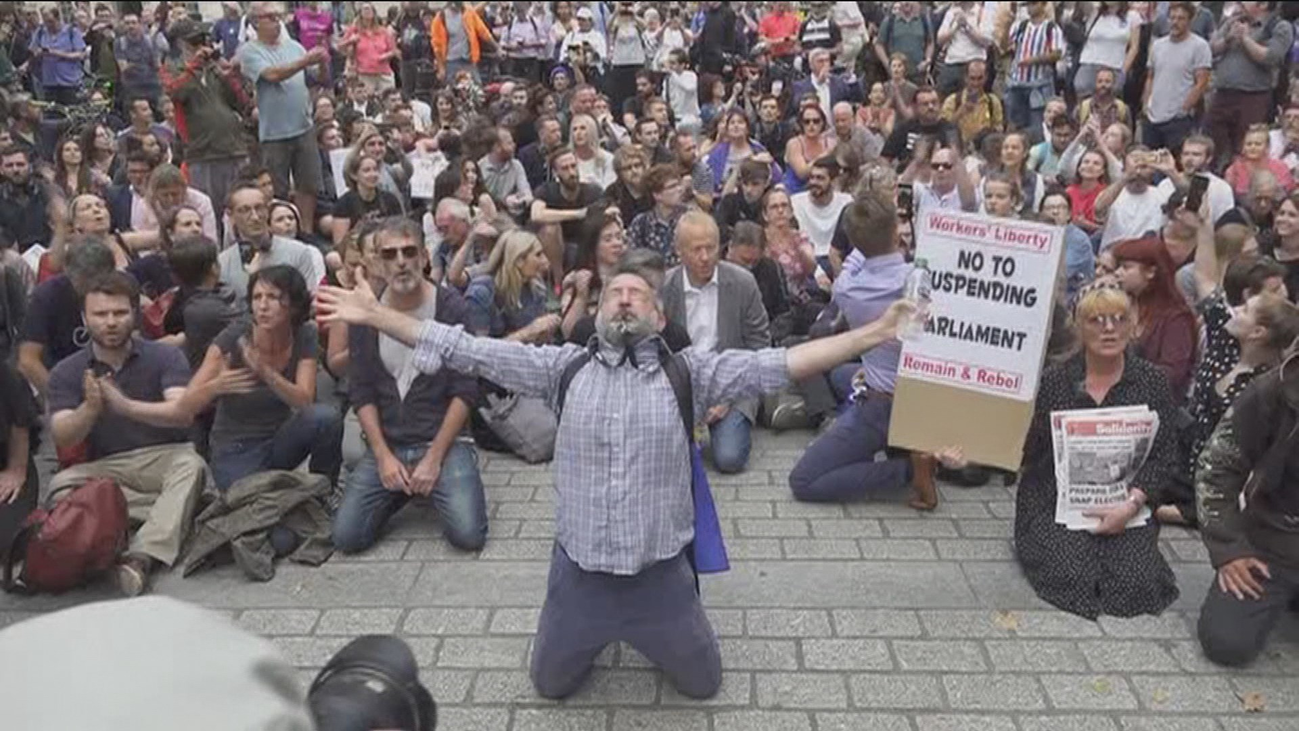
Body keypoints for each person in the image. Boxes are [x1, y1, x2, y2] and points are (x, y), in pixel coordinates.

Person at [316, 209, 913, 701]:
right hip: (581, 576)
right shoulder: (560, 368)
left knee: (704, 687)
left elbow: (779, 363)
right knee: (548, 687)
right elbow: (463, 348)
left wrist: (872, 334)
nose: (624, 299)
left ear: (659, 316)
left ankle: (649, 631)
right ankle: (582, 622)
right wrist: (375, 315)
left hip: (661, 578)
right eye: (614, 293)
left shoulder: (690, 374)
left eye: (638, 295)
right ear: (598, 312)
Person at [1014, 285, 1179, 619]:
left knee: (1137, 585)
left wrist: (1132, 504)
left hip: (1127, 499)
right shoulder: (1054, 381)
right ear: (1079, 327)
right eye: (1096, 320)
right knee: (1071, 578)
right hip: (1057, 498)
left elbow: (1164, 455)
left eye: (1119, 319)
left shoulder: (1152, 382)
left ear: (1133, 327)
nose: (1109, 329)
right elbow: (1028, 449)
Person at [330, 217, 485, 556]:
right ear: (377, 263)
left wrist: (433, 458)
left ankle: (427, 479)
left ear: (424, 256)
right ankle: (400, 487)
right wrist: (384, 457)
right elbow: (363, 392)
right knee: (346, 538)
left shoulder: (450, 308)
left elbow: (465, 391)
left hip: (444, 443)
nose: (400, 262)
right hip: (391, 444)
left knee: (468, 535)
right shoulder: (366, 313)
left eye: (408, 251)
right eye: (389, 254)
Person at [46, 270, 207, 596]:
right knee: (59, 488)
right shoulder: (67, 370)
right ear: (85, 317)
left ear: (134, 314)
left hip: (163, 458)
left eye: (119, 313)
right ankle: (171, 514)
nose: (110, 322)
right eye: (100, 314)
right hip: (107, 468)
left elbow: (182, 415)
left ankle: (140, 557)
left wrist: (125, 405)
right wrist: (89, 410)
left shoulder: (165, 356)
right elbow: (62, 435)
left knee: (193, 467)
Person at [789, 192, 939, 509]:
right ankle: (910, 458)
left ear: (854, 240)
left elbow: (857, 256)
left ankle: (903, 471)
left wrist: (863, 231)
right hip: (925, 398)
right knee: (845, 373)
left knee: (803, 481)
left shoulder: (847, 287)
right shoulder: (924, 279)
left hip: (881, 403)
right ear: (897, 233)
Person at [180, 265, 340, 492]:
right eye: (257, 297)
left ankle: (324, 491)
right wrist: (216, 387)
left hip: (279, 438)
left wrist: (264, 371)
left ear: (293, 305)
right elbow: (185, 406)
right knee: (252, 503)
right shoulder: (234, 337)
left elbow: (304, 401)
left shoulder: (305, 333)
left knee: (326, 418)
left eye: (273, 297)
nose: (263, 306)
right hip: (235, 448)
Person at [1196, 342, 1299, 667]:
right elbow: (1217, 468)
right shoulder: (1272, 390)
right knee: (1227, 643)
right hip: (1275, 541)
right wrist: (1229, 549)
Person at [237, 2, 327, 236]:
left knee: (308, 184)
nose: (277, 21)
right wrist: (306, 61)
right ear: (256, 23)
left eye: (278, 16)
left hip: (303, 126)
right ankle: (278, 233)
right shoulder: (250, 51)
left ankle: (305, 231)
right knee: (276, 188)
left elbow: (317, 78)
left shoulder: (295, 46)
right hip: (274, 133)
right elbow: (272, 75)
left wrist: (323, 60)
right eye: (270, 17)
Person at [162, 18, 252, 224]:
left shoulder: (214, 69)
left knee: (241, 208)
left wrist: (230, 75)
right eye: (196, 42)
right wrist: (194, 65)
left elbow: (242, 103)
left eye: (205, 40)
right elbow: (176, 92)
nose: (203, 46)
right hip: (204, 153)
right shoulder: (171, 69)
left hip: (235, 148)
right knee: (211, 213)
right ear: (181, 44)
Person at [17, 237, 116, 397]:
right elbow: (28, 360)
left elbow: (134, 342)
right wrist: (61, 399)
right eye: (85, 282)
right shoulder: (47, 295)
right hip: (60, 380)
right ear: (68, 273)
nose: (93, 288)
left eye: (100, 281)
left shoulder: (121, 289)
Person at [1207, 1, 1294, 168]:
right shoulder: (1232, 21)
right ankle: (1217, 176)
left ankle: (1242, 182)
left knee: (1246, 144)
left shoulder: (1279, 26)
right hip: (1222, 94)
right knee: (1212, 141)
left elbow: (1271, 57)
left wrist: (1245, 39)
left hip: (1253, 97)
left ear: (1263, 4)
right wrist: (1228, 38)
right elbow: (1211, 50)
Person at [1110, 236, 1198, 401]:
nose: (1117, 273)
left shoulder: (1176, 318)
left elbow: (1172, 373)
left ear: (1150, 272)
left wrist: (1122, 380)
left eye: (1126, 267)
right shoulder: (1118, 307)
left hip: (1155, 407)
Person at [219, 182, 323, 304]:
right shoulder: (223, 263)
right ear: (230, 215)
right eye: (245, 210)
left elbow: (308, 302)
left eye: (259, 208)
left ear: (267, 210)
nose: (255, 217)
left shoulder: (299, 252)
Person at [1142, 2, 1212, 153]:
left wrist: (1184, 109)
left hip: (1178, 119)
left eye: (1181, 18)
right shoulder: (1158, 45)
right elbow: (1150, 77)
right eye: (1172, 18)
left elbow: (1201, 83)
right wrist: (1146, 104)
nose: (1175, 22)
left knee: (1176, 162)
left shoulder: (1200, 46)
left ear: (1190, 20)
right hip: (1153, 116)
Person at [531, 147, 605, 281]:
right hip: (554, 245)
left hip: (584, 243)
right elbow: (536, 214)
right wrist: (578, 214)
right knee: (550, 229)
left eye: (573, 166)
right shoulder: (546, 190)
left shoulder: (593, 191)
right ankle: (558, 280)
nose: (571, 172)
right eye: (565, 168)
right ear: (555, 173)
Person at [1004, 1, 1064, 135]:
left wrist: (1033, 60)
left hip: (1039, 84)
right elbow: (1005, 47)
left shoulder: (1051, 28)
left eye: (1034, 3)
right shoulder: (1020, 26)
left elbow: (1057, 53)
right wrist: (1007, 24)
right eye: (1028, 4)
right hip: (1017, 83)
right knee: (1015, 124)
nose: (1030, 7)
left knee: (1037, 124)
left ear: (1043, 5)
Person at [1154, 135, 1236, 227]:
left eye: (1196, 154)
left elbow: (1225, 225)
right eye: (1186, 154)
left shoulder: (1221, 187)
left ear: (1208, 159)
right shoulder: (1165, 184)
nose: (1189, 159)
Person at [0, 360, 38, 559]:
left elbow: (20, 421)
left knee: (7, 544)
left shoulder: (6, 374)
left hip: (7, 463)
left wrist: (16, 469)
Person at [1097, 147, 1168, 250]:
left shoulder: (1162, 195)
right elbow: (1099, 209)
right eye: (1134, 166)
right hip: (1113, 252)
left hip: (1146, 254)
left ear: (1153, 170)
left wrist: (1170, 170)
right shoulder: (1113, 193)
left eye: (1143, 167)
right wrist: (1126, 176)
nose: (1138, 172)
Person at [332, 155, 403, 250]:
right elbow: (339, 244)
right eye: (366, 170)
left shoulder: (390, 199)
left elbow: (400, 229)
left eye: (375, 169)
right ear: (354, 175)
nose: (373, 174)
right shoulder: (344, 203)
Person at [881, 87, 960, 170]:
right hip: (906, 178)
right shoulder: (904, 128)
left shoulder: (950, 130)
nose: (931, 107)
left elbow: (957, 161)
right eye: (925, 104)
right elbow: (884, 158)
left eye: (934, 102)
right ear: (915, 107)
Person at [1042, 190, 1097, 300]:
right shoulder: (1038, 234)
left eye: (1061, 207)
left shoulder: (1079, 240)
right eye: (1049, 208)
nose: (1055, 212)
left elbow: (1062, 273)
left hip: (1071, 299)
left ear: (1069, 214)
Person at [628, 164, 687, 267]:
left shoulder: (691, 218)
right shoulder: (641, 223)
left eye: (679, 185)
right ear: (657, 195)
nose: (679, 189)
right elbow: (633, 258)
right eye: (672, 186)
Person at [0, 146, 55, 254]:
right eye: (9, 166)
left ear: (30, 166)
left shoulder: (48, 191)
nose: (15, 169)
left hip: (49, 250)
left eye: (20, 164)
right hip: (11, 254)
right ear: (1, 169)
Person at [900, 143, 979, 218]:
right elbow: (902, 191)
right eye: (935, 166)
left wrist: (957, 159)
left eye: (946, 166)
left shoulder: (964, 194)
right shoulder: (922, 191)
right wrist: (917, 161)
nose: (940, 169)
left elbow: (970, 204)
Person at [935, 2, 997, 96]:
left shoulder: (982, 12)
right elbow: (939, 40)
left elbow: (986, 42)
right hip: (952, 64)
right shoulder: (951, 13)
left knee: (974, 103)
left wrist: (966, 26)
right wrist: (955, 27)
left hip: (975, 65)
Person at [28, 7, 86, 105]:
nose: (49, 25)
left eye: (51, 21)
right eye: (46, 22)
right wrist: (37, 52)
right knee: (52, 113)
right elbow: (32, 49)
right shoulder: (41, 32)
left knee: (71, 110)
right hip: (49, 82)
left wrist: (56, 53)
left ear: (58, 18)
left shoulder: (71, 32)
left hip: (69, 82)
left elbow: (81, 54)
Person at [940, 60, 1003, 147]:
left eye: (980, 78)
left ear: (986, 77)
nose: (975, 83)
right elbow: (943, 129)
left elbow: (999, 127)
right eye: (972, 78)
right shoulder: (952, 100)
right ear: (965, 78)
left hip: (983, 148)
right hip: (958, 147)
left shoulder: (993, 101)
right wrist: (960, 112)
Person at [339, 2, 398, 92]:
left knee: (389, 98)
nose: (367, 11)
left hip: (383, 72)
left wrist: (384, 56)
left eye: (369, 9)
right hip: (364, 73)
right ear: (360, 13)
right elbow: (339, 47)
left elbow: (393, 50)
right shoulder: (354, 30)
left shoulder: (383, 31)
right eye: (364, 9)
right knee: (368, 99)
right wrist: (350, 41)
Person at [1225, 124, 1297, 198]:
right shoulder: (1234, 170)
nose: (1253, 147)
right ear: (1243, 147)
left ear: (1267, 147)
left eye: (1258, 144)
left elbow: (1289, 194)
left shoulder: (1280, 167)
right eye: (1249, 144)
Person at [431, 1, 495, 84]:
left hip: (469, 61)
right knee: (454, 90)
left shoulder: (469, 13)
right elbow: (437, 46)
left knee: (477, 88)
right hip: (451, 62)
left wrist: (496, 47)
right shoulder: (440, 18)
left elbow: (483, 32)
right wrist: (441, 68)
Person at [873, 0, 932, 84]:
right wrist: (888, 65)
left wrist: (927, 60)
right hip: (896, 73)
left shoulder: (923, 20)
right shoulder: (890, 21)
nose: (906, 3)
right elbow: (879, 45)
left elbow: (930, 42)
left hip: (918, 72)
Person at [782, 105, 836, 195]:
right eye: (807, 121)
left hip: (824, 192)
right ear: (801, 124)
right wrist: (824, 155)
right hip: (796, 192)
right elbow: (802, 173)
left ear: (822, 123)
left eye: (816, 121)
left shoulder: (831, 143)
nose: (811, 125)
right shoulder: (794, 144)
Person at [478, 127, 532, 216]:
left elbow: (526, 190)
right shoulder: (480, 167)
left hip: (512, 214)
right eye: (509, 143)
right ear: (497, 147)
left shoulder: (516, 165)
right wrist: (504, 201)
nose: (514, 145)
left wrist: (523, 200)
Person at [115, 13, 161, 106]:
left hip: (152, 86)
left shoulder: (149, 41)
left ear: (139, 24)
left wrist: (133, 64)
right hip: (132, 88)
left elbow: (157, 64)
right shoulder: (120, 43)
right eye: (127, 23)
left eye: (133, 23)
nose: (131, 26)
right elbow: (123, 68)